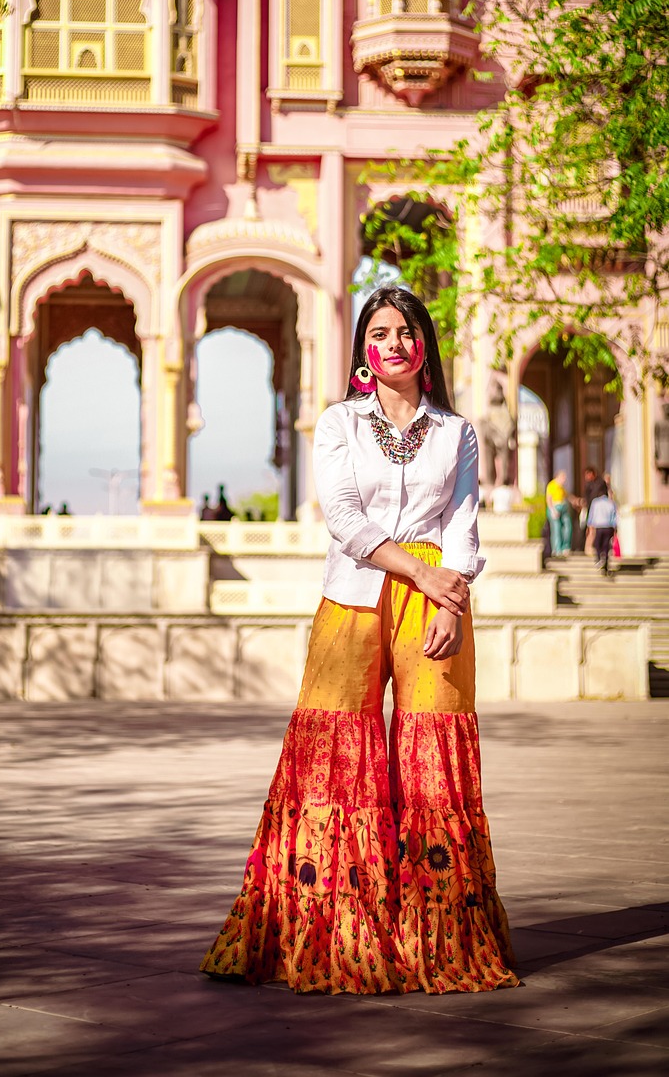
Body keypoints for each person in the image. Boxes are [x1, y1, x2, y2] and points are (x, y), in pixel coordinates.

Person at [200, 286, 517, 995]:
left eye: (407, 331)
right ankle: (330, 932)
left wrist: (451, 599)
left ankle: (438, 942)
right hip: (353, 595)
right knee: (333, 757)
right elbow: (342, 516)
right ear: (362, 350)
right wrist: (419, 572)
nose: (395, 342)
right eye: (381, 332)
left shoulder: (455, 432)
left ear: (425, 345)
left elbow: (463, 523)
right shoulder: (340, 422)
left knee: (432, 762)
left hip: (435, 606)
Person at [587, 487, 617, 575]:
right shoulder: (611, 503)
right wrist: (615, 527)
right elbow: (615, 516)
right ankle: (606, 565)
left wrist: (589, 525)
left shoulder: (595, 502)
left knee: (597, 544)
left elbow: (591, 515)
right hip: (608, 526)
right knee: (606, 546)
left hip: (599, 526)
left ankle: (599, 559)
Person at [545, 470, 572, 557]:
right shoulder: (552, 485)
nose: (564, 480)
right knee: (557, 529)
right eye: (563, 478)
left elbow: (566, 496)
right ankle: (557, 549)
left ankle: (565, 546)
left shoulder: (561, 487)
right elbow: (549, 499)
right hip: (555, 507)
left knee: (567, 526)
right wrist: (552, 510)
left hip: (563, 507)